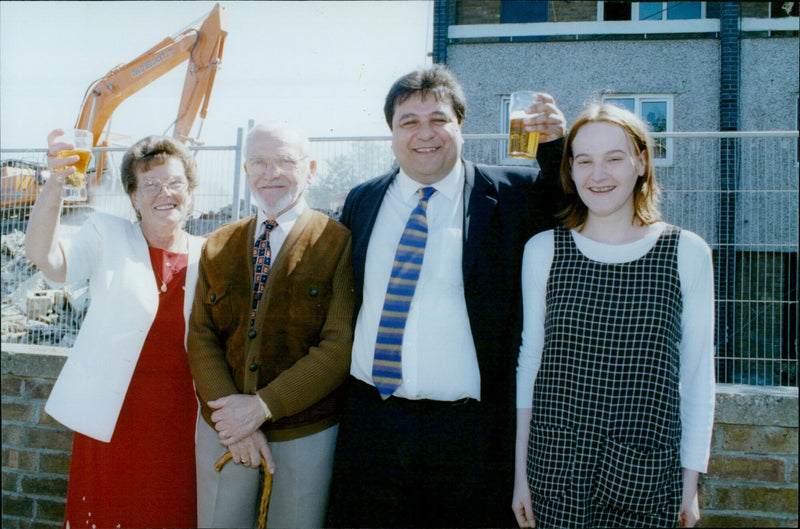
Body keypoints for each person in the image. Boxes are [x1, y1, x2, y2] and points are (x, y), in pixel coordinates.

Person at [327, 64, 567, 528]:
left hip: (470, 436)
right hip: (371, 426)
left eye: (439, 120)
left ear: (461, 126)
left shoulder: (509, 195)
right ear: (391, 134)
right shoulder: (363, 200)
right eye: (409, 122)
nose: (425, 134)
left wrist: (556, 144)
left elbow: (569, 206)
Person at [512, 103, 715, 528]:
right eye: (584, 160)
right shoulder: (544, 250)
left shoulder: (686, 252)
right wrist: (520, 478)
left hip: (646, 476)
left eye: (614, 158)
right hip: (557, 475)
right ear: (570, 169)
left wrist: (690, 484)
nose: (598, 175)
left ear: (642, 162)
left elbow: (698, 378)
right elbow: (531, 366)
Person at [27, 131, 204, 528]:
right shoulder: (106, 234)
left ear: (191, 192)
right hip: (113, 416)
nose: (165, 193)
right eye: (151, 184)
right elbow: (46, 258)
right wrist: (56, 181)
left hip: (180, 421)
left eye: (175, 182)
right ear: (133, 197)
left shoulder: (210, 251)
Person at [187, 121, 354, 528]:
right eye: (258, 162)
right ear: (245, 172)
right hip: (224, 432)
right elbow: (202, 336)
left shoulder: (338, 242)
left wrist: (261, 407)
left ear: (310, 168)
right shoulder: (218, 244)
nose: (270, 173)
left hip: (304, 434)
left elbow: (338, 345)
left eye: (284, 160)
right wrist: (234, 419)